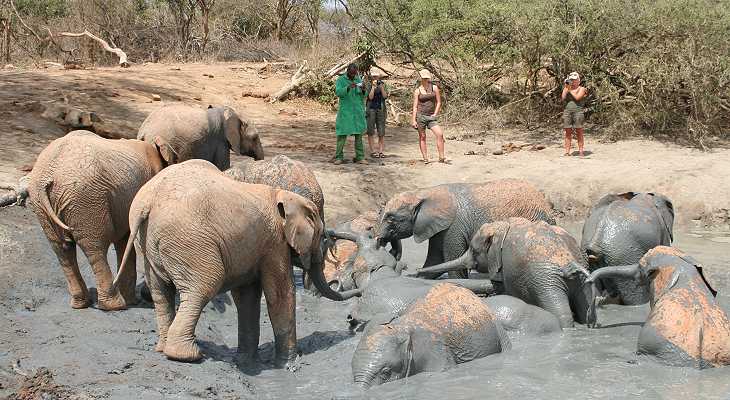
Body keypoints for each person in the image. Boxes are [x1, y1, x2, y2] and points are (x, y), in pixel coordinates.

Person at [334, 64, 367, 165]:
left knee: (359, 134)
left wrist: (364, 89)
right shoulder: (340, 80)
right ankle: (339, 157)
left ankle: (360, 157)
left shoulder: (358, 80)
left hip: (357, 112)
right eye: (351, 73)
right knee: (342, 134)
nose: (353, 76)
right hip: (345, 112)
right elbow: (338, 92)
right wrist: (347, 87)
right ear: (347, 71)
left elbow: (364, 96)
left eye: (355, 74)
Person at [411, 69, 446, 164]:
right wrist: (413, 120)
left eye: (427, 78)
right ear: (421, 78)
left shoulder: (434, 88)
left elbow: (439, 102)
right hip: (420, 116)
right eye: (424, 78)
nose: (425, 79)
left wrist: (435, 113)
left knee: (439, 134)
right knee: (422, 136)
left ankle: (441, 157)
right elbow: (415, 106)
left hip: (431, 116)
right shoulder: (417, 91)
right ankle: (425, 158)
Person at [561, 71, 588, 157]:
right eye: (571, 80)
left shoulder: (582, 89)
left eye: (574, 80)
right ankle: (567, 151)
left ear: (578, 81)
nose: (573, 81)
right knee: (568, 131)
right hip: (567, 111)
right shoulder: (567, 88)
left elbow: (577, 98)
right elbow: (563, 98)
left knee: (579, 131)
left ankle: (581, 151)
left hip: (578, 111)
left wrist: (569, 90)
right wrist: (566, 88)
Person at [364, 69, 389, 158]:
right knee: (370, 130)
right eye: (373, 76)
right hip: (371, 109)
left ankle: (381, 151)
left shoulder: (383, 84)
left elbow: (385, 96)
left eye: (376, 76)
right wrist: (373, 87)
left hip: (381, 109)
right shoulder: (367, 84)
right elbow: (370, 97)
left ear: (379, 76)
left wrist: (381, 87)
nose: (375, 78)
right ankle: (373, 151)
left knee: (381, 131)